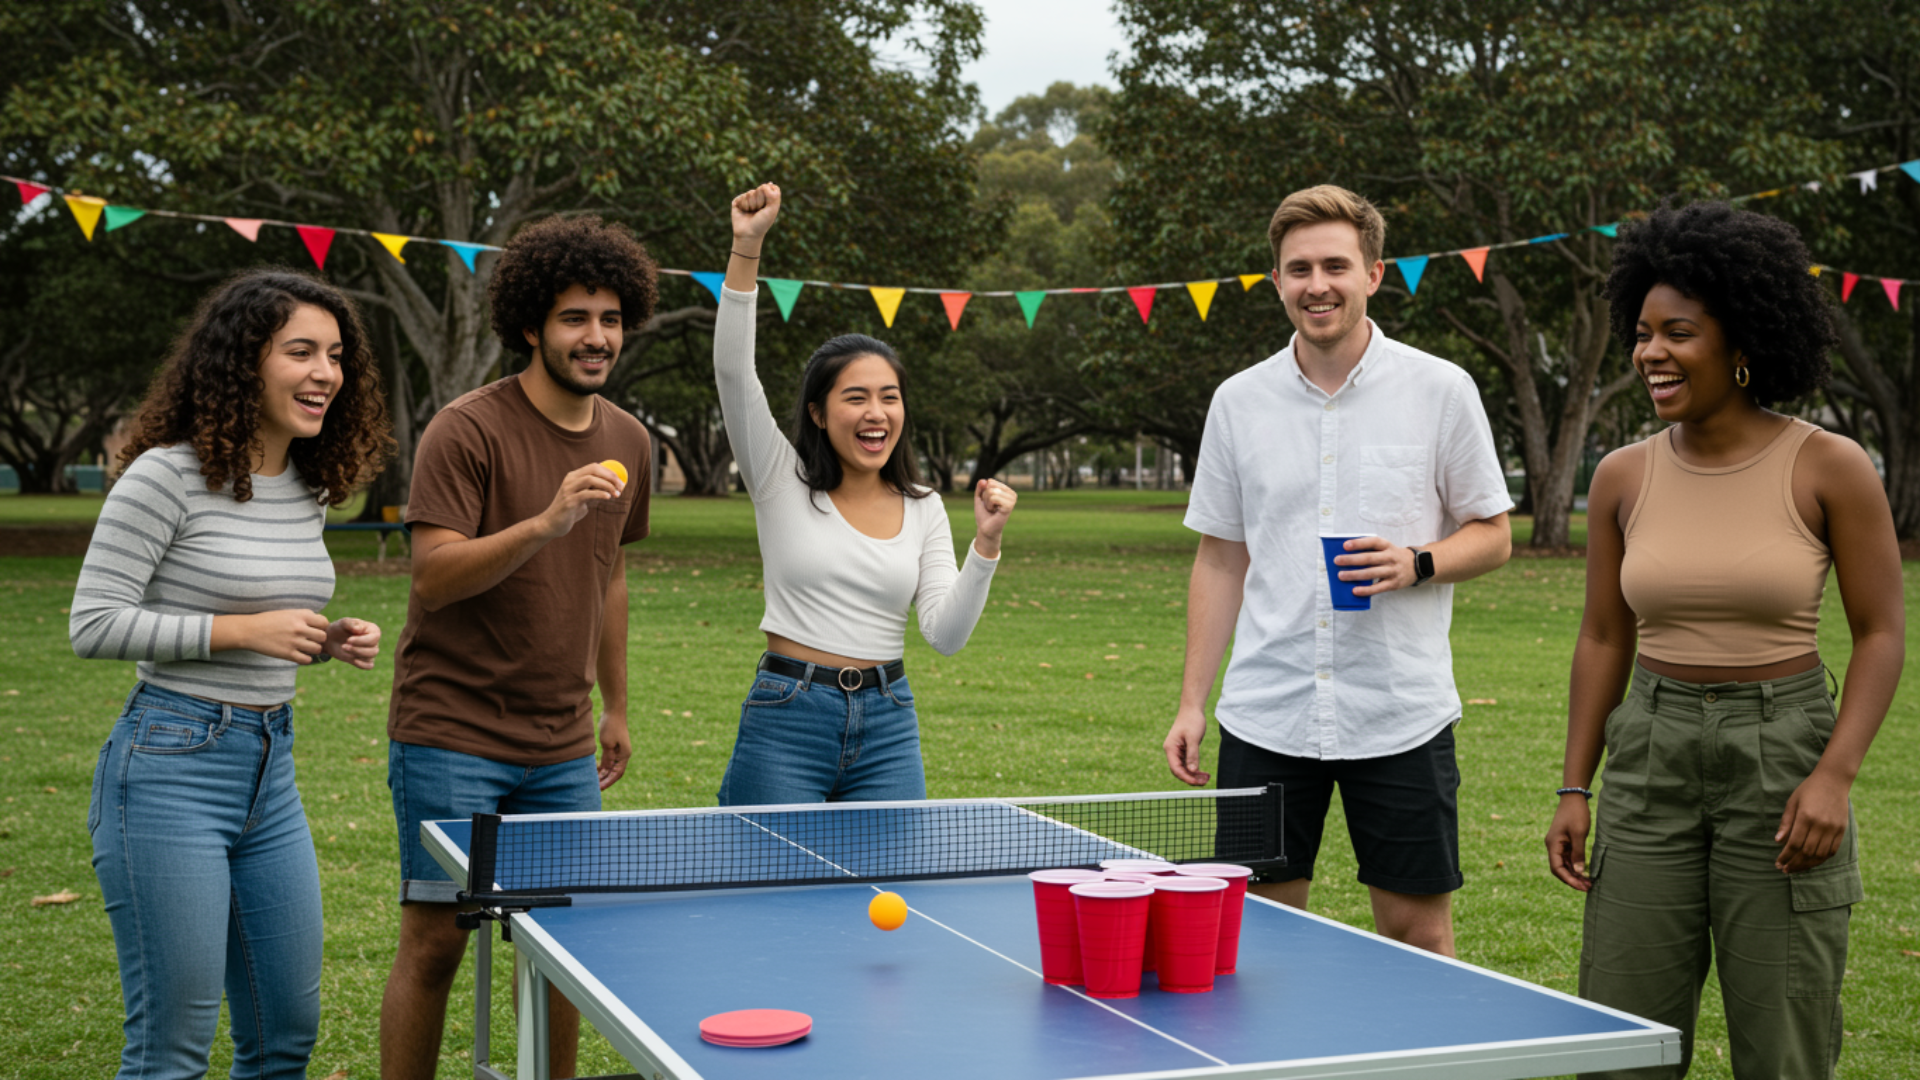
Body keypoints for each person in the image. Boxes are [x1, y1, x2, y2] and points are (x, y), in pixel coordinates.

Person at [1545, 202, 1902, 1080]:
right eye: (1643, 334)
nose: (1651, 353)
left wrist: (1834, 776)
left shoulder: (1829, 465)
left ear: (1741, 342)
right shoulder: (1622, 476)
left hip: (1782, 755)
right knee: (1622, 1043)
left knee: (1783, 1043)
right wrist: (1575, 786)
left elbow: (1881, 633)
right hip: (1650, 755)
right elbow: (1603, 637)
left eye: (1679, 333)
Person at [1161, 184, 1513, 956]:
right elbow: (1220, 557)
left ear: (1374, 274)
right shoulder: (1238, 402)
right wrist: (1192, 703)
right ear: (1277, 281)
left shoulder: (1440, 389)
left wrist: (1419, 562)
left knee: (1418, 935)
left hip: (1400, 712)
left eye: (1334, 266)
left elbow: (1493, 535)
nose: (1316, 285)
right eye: (1298, 270)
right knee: (1258, 939)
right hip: (1267, 712)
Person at [70, 268, 392, 1079]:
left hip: (270, 769)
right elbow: (93, 623)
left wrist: (324, 639)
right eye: (300, 352)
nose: (326, 373)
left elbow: (263, 613)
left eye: (336, 355)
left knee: (286, 1035)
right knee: (171, 1052)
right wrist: (245, 629)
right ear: (243, 362)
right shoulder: (165, 476)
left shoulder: (307, 487)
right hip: (169, 766)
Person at [378, 215, 656, 1078]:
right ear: (532, 325)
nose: (596, 337)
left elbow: (608, 574)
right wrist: (543, 522)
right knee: (437, 942)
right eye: (576, 319)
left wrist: (614, 705)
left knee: (563, 948)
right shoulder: (466, 429)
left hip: (562, 744)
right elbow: (433, 577)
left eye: (610, 319)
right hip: (451, 733)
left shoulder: (630, 440)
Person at [712, 183, 1016, 804]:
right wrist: (747, 247)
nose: (876, 412)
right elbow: (734, 374)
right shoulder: (778, 477)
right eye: (856, 397)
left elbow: (946, 635)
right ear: (819, 413)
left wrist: (985, 545)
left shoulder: (925, 506)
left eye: (889, 397)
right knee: (766, 868)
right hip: (788, 717)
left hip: (888, 725)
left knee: (894, 870)